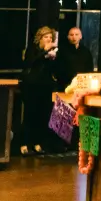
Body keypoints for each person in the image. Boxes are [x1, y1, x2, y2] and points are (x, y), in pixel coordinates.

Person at [18, 26, 61, 155]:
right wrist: (44, 53)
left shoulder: (52, 51)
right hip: (31, 86)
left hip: (45, 86)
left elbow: (54, 69)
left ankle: (38, 143)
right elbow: (30, 62)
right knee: (29, 115)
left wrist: (53, 58)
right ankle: (24, 144)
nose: (48, 39)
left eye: (50, 37)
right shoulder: (33, 50)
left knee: (42, 116)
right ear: (40, 38)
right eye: (45, 37)